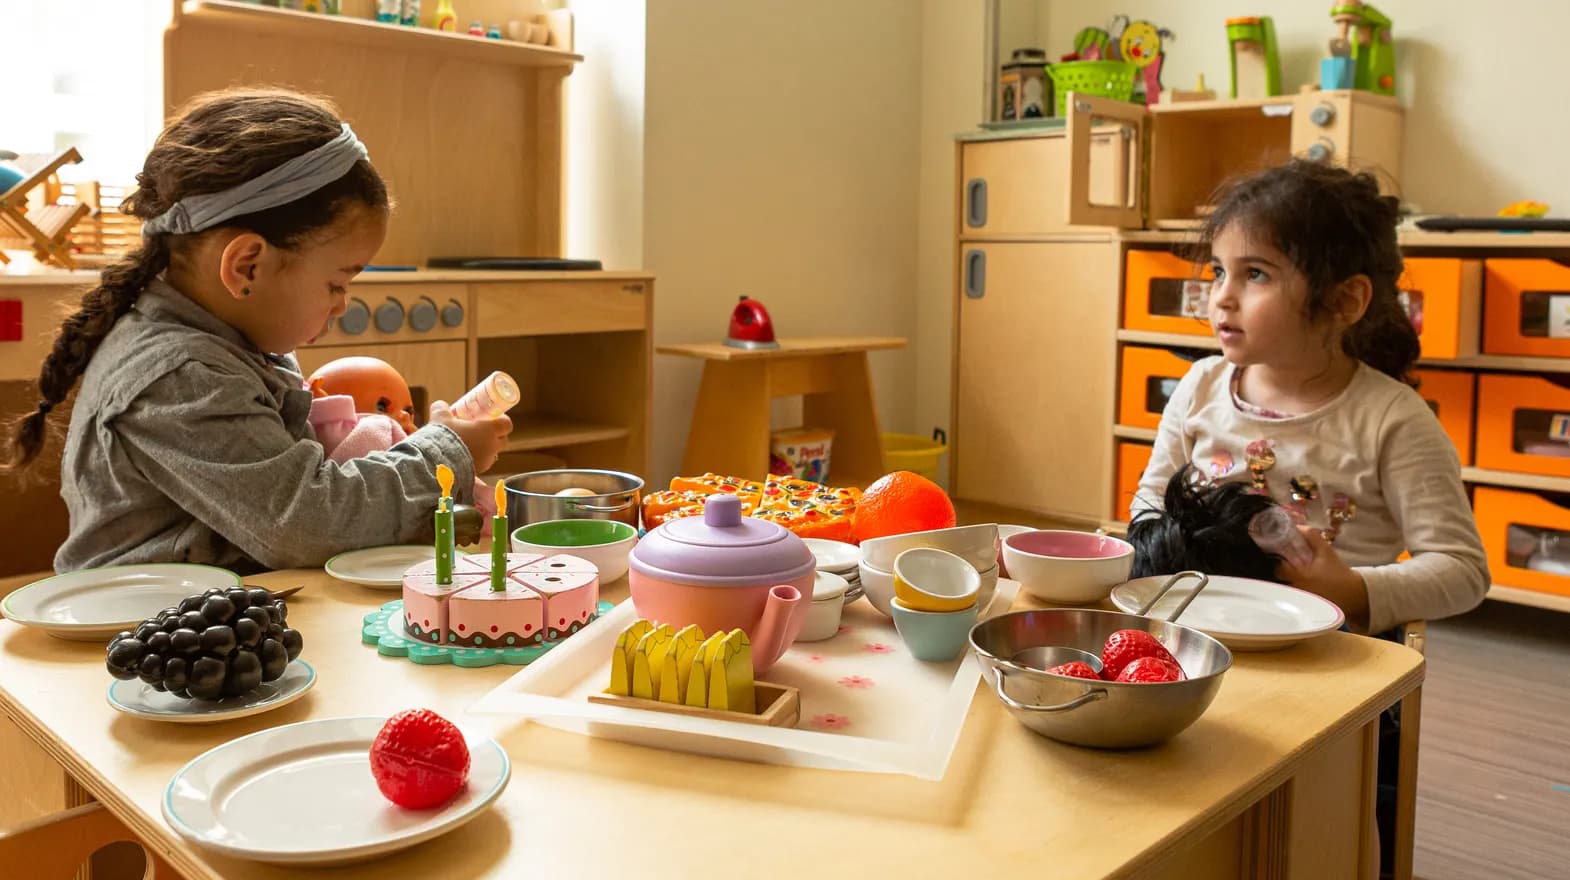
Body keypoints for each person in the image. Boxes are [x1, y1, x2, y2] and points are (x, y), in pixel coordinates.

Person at [4, 88, 511, 573]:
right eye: (336, 283)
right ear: (247, 265)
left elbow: (294, 484)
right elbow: (307, 521)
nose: (341, 305)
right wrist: (448, 454)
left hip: (219, 618)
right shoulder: (183, 376)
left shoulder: (234, 341)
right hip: (144, 636)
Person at [1136, 159, 1487, 634]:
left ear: (1344, 301)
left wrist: (1351, 589)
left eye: (1255, 274)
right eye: (1219, 270)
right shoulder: (1200, 387)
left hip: (1334, 654)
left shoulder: (1392, 420)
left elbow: (1462, 570)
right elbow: (1150, 505)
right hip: (1203, 630)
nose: (1221, 296)